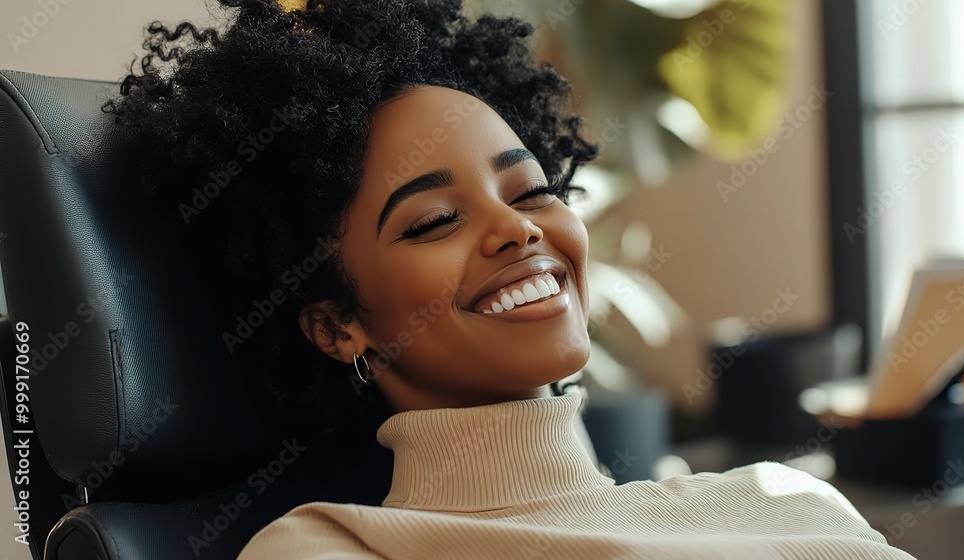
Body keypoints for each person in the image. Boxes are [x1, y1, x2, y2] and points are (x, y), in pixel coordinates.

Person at [104, 0, 918, 558]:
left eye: (532, 190)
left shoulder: (783, 500)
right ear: (335, 326)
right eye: (432, 221)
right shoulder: (328, 549)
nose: (520, 227)